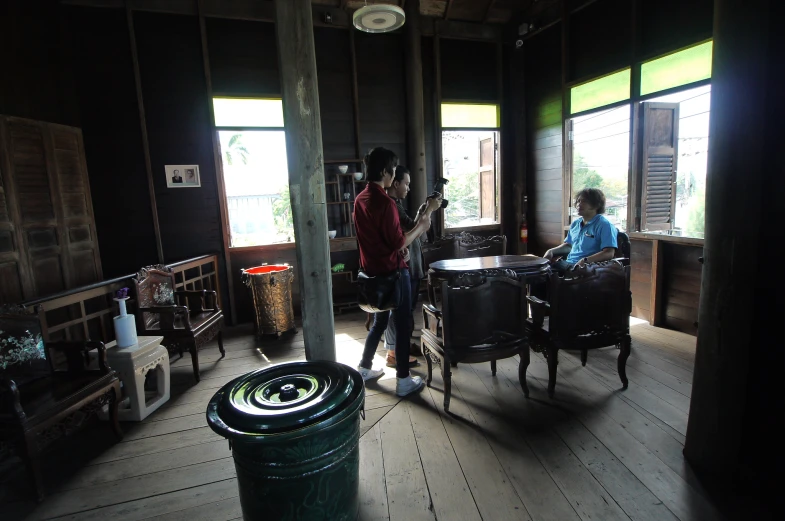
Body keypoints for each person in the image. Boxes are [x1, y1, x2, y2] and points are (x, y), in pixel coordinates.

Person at [353, 147, 441, 397]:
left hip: (372, 273)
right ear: (385, 172)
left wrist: (397, 247)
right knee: (403, 325)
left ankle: (365, 367)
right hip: (393, 274)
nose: (394, 177)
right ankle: (403, 379)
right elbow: (399, 241)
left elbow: (377, 240)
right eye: (393, 171)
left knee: (379, 322)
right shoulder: (385, 202)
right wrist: (422, 227)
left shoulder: (361, 199)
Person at [383, 165, 428, 368]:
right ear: (396, 182)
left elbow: (413, 227)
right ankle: (393, 352)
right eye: (407, 184)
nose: (408, 188)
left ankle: (402, 346)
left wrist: (422, 213)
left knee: (406, 310)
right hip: (403, 265)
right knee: (399, 310)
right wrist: (428, 212)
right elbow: (413, 229)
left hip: (411, 263)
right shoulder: (391, 205)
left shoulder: (396, 204)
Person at [543, 188, 618, 272]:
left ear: (596, 205)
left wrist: (585, 260)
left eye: (584, 201)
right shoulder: (575, 224)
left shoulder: (604, 225)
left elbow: (609, 253)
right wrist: (551, 251)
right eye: (578, 201)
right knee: (539, 272)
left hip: (588, 268)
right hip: (568, 264)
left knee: (546, 276)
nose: (579, 204)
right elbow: (569, 246)